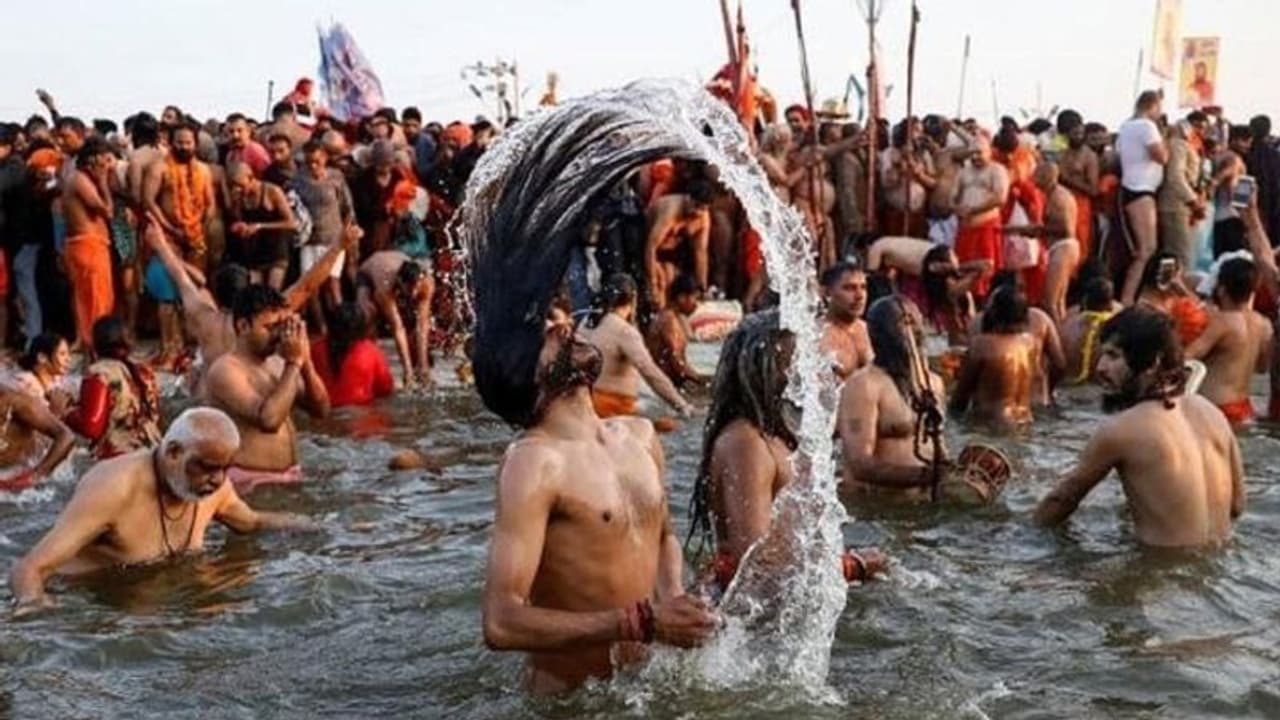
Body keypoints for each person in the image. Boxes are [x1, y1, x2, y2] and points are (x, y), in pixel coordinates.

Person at [478, 305, 715, 695]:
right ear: (523, 372)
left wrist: (673, 596)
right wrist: (642, 623)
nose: (564, 327)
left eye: (555, 321)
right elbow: (501, 622)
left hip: (643, 688)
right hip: (571, 703)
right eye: (545, 333)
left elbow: (663, 537)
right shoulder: (533, 463)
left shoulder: (640, 434)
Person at [8, 408, 313, 615]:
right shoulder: (114, 486)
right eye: (206, 468)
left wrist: (322, 528)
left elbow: (253, 522)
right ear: (173, 452)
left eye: (225, 469)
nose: (218, 480)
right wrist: (35, 610)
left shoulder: (214, 488)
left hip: (160, 600)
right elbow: (29, 569)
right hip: (90, 600)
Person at [687, 310, 886, 596]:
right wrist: (852, 566)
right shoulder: (746, 444)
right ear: (767, 366)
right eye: (797, 358)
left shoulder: (772, 435)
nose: (808, 368)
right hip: (748, 618)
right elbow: (753, 566)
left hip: (784, 603)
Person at [1034, 307, 1244, 547]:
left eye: (1113, 356)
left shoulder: (1122, 429)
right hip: (1217, 570)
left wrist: (1021, 535)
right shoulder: (1212, 413)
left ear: (1153, 362)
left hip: (1161, 575)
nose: (1101, 367)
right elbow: (1237, 506)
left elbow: (1061, 500)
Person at [202, 286, 330, 492]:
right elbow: (269, 420)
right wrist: (294, 364)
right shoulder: (225, 370)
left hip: (289, 477)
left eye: (282, 325)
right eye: (270, 327)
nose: (278, 334)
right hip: (249, 483)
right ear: (243, 326)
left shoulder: (279, 364)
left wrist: (305, 361)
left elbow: (321, 410)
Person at [143, 123, 216, 367]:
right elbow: (149, 201)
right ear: (171, 142)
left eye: (188, 142)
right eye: (179, 141)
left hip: (195, 239)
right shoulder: (159, 167)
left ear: (196, 144)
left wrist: (197, 229)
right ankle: (169, 346)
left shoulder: (204, 171)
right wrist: (170, 229)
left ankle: (188, 346)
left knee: (192, 291)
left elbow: (210, 205)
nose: (184, 146)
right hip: (167, 237)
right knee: (167, 295)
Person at [583, 274, 694, 420]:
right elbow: (650, 372)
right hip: (613, 407)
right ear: (633, 300)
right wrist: (682, 405)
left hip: (585, 404)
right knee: (671, 424)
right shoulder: (624, 331)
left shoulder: (586, 322)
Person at [1185, 255, 1272, 426]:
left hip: (1215, 408)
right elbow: (1262, 368)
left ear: (1221, 289)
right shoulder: (1263, 324)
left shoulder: (1223, 322)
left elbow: (1187, 358)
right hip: (1244, 407)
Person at [949, 285, 1040, 430]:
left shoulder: (981, 345)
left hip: (991, 428)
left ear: (995, 312)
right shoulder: (1030, 343)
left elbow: (960, 400)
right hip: (1026, 422)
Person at [295, 139, 360, 332]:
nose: (313, 166)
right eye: (309, 162)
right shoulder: (298, 180)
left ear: (324, 158)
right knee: (311, 287)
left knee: (333, 284)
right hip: (310, 240)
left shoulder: (336, 177)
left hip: (334, 238)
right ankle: (323, 327)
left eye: (317, 161)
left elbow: (347, 207)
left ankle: (341, 326)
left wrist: (349, 233)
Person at [1003, 162, 1080, 322]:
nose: (1034, 180)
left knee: (1049, 301)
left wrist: (1036, 231)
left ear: (1048, 176)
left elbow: (1065, 230)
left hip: (1063, 247)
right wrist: (1019, 229)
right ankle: (1062, 334)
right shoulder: (1052, 194)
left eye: (1037, 176)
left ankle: (1057, 340)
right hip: (1061, 246)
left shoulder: (1059, 198)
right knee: (1058, 301)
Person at [62, 136, 117, 349]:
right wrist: (103, 181)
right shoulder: (80, 180)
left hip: (86, 245)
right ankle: (94, 346)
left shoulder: (77, 178)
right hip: (88, 245)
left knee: (86, 298)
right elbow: (107, 211)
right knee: (95, 299)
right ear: (94, 159)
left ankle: (87, 342)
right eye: (105, 158)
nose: (108, 163)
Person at [1116, 91, 1169, 304]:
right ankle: (1127, 298)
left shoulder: (1126, 126)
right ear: (1153, 106)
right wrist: (1164, 136)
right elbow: (1162, 157)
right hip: (1141, 189)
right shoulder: (1147, 127)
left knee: (1145, 249)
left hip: (1134, 187)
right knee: (1146, 249)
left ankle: (1130, 296)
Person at [356, 250, 433, 388]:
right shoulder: (385, 284)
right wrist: (407, 370)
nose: (414, 293)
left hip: (396, 260)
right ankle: (368, 360)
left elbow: (423, 325)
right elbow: (397, 328)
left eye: (416, 288)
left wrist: (424, 366)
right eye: (410, 289)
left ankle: (422, 366)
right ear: (400, 282)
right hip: (368, 273)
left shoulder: (427, 283)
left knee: (420, 326)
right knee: (367, 313)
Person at [953, 134, 1010, 300]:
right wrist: (957, 208)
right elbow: (952, 196)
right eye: (971, 153)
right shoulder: (964, 172)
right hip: (965, 227)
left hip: (986, 226)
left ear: (989, 152)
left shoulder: (997, 170)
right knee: (963, 269)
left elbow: (1000, 198)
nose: (975, 157)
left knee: (987, 270)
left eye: (979, 152)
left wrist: (974, 210)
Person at [223, 162, 297, 290]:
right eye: (234, 186)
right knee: (255, 291)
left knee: (272, 290)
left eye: (241, 185)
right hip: (256, 251)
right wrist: (240, 223)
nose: (238, 189)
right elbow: (239, 219)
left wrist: (261, 226)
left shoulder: (272, 191)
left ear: (251, 178)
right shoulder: (240, 197)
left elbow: (291, 223)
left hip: (276, 248)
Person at [310, 302, 394, 408]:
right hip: (362, 413)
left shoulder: (315, 349)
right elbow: (386, 388)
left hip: (326, 411)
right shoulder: (371, 351)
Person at [645, 181, 712, 306]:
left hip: (672, 251)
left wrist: (702, 287)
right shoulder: (671, 211)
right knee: (661, 284)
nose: (697, 212)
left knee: (674, 283)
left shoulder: (703, 219)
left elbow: (701, 253)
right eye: (696, 206)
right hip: (647, 244)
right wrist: (652, 283)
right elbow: (651, 246)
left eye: (702, 209)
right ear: (688, 198)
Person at [645, 274, 707, 391]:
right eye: (695, 298)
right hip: (663, 386)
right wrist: (703, 382)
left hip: (667, 383)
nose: (696, 305)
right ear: (681, 297)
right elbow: (677, 362)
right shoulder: (669, 321)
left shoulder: (671, 317)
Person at [1158, 119, 1205, 270]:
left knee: (1179, 255)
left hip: (1179, 206)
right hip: (1176, 205)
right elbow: (1175, 177)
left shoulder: (1176, 145)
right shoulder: (1177, 144)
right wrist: (1193, 201)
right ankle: (1179, 292)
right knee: (1181, 257)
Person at [1057, 111, 1099, 260]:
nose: (1078, 136)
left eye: (1080, 132)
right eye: (1073, 133)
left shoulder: (1089, 156)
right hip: (1058, 206)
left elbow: (1093, 190)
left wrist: (1067, 179)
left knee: (1080, 250)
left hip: (1080, 207)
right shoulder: (1059, 150)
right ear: (1064, 134)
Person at [819, 261, 873, 379]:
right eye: (849, 288)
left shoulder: (871, 330)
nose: (859, 296)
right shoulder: (816, 336)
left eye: (863, 287)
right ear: (827, 293)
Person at [1060, 277, 1119, 383]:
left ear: (1085, 300)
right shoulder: (1120, 319)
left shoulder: (1069, 319)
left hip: (1069, 386)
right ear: (1110, 303)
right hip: (1102, 386)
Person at [6, 333, 72, 406]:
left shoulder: (60, 382)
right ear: (42, 357)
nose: (68, 359)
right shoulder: (24, 384)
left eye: (68, 354)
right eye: (62, 354)